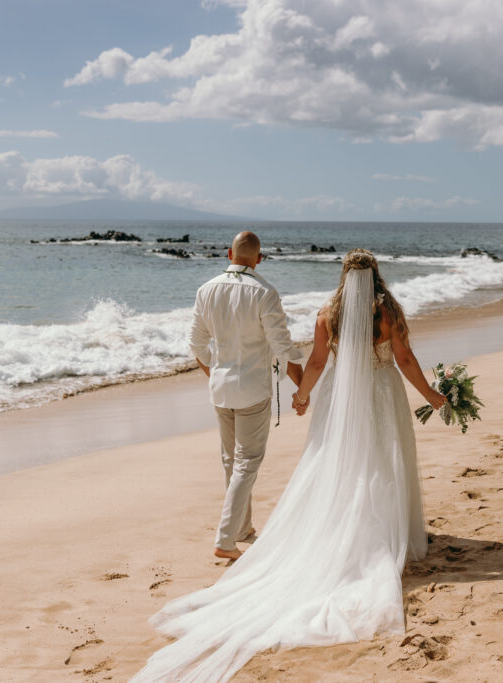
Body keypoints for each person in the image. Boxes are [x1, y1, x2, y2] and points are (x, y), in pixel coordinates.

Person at [133, 248, 447, 682]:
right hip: (381, 391)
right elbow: (405, 359)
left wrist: (303, 396)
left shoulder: (328, 313)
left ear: (344, 276)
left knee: (335, 462)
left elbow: (317, 362)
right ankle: (378, 530)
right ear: (375, 274)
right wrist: (430, 394)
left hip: (339, 396)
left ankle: (344, 524)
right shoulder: (388, 310)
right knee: (381, 462)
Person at [188, 231, 305, 562]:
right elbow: (283, 348)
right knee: (247, 462)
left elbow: (197, 344)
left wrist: (214, 374)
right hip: (252, 389)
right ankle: (226, 538)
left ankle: (242, 529)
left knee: (231, 461)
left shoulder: (205, 290)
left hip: (220, 389)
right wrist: (301, 386)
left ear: (229, 254)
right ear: (258, 259)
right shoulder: (264, 292)